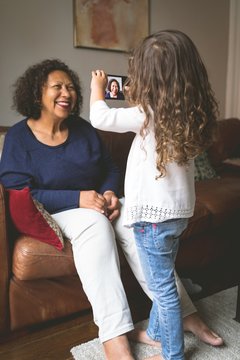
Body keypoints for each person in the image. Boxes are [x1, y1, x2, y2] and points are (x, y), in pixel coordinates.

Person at [0, 58, 222, 360]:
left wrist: (108, 193)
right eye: (57, 87)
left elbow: (109, 168)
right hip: (54, 212)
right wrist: (79, 199)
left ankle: (185, 313)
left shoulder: (82, 129)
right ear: (36, 93)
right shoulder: (17, 137)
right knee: (94, 224)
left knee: (137, 221)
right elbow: (18, 192)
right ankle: (114, 338)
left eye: (70, 87)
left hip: (97, 202)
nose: (66, 92)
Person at [90, 30, 222, 360]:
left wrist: (96, 89)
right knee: (164, 278)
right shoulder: (189, 114)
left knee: (162, 290)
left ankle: (172, 354)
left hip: (151, 219)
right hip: (179, 215)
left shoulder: (147, 115)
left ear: (148, 78)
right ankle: (155, 333)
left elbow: (100, 117)